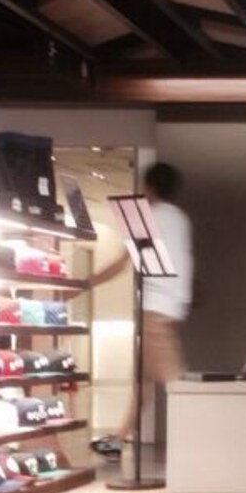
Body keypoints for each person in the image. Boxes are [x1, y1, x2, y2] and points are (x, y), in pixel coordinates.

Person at [89, 161, 194, 452]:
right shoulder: (181, 219)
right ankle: (117, 439)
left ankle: (197, 441)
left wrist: (86, 282)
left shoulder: (145, 218)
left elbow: (121, 263)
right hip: (172, 308)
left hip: (153, 310)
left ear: (148, 187)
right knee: (142, 381)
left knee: (175, 382)